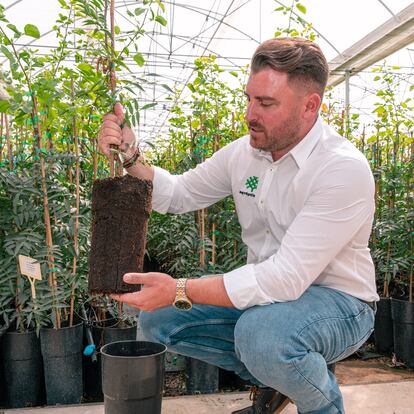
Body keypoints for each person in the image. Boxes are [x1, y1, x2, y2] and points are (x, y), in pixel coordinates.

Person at [98, 37, 379, 414]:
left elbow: (284, 278)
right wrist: (130, 156)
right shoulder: (244, 153)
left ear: (311, 106)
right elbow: (180, 193)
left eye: (266, 103)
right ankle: (279, 377)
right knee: (157, 321)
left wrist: (179, 288)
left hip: (340, 302)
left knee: (262, 337)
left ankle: (321, 403)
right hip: (269, 298)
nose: (250, 113)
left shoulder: (341, 168)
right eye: (249, 98)